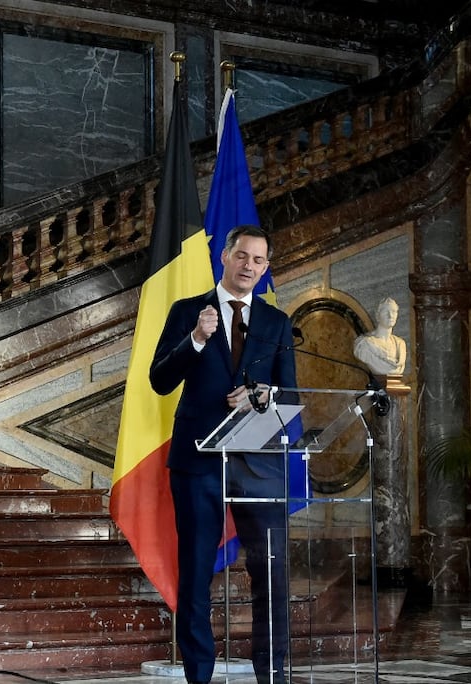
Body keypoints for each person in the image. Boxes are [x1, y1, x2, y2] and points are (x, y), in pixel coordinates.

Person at [149, 225, 298, 684]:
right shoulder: (189, 311)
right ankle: (198, 673)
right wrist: (195, 339)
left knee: (269, 571)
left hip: (258, 463)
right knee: (196, 570)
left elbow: (288, 395)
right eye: (241, 257)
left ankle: (271, 671)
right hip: (199, 461)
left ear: (266, 267)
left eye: (258, 260)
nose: (249, 266)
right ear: (225, 258)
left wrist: (262, 397)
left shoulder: (276, 323)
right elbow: (160, 380)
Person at [353, 297, 406, 376]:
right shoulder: (364, 344)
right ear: (377, 315)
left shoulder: (400, 344)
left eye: (394, 311)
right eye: (385, 311)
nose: (390, 315)